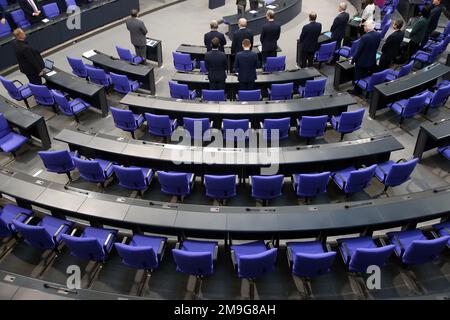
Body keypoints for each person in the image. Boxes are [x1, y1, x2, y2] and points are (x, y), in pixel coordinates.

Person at [348, 20, 381, 94]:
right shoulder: (378, 35)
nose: (363, 27)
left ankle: (357, 91)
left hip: (361, 62)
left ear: (368, 28)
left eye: (365, 26)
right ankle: (361, 88)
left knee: (358, 76)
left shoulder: (364, 37)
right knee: (365, 75)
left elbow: (358, 51)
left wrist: (353, 61)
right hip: (371, 59)